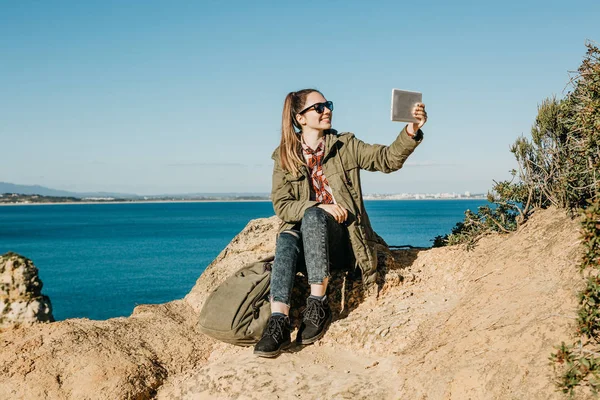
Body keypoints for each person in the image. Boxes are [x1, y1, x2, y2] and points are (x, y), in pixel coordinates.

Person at [253, 89, 427, 357]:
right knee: (287, 237)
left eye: (328, 105)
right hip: (307, 245)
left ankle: (318, 304)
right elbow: (282, 205)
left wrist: (411, 131)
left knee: (313, 217)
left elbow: (386, 159)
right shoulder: (285, 156)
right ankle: (279, 320)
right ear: (300, 118)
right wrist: (319, 206)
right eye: (319, 107)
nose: (327, 110)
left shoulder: (345, 145)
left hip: (343, 243)